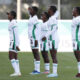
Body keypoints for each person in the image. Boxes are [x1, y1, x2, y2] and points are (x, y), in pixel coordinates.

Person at [44, 6, 59, 77]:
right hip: (51, 39)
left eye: (49, 9)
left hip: (53, 39)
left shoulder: (53, 18)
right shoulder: (51, 18)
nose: (48, 10)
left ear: (52, 11)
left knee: (53, 56)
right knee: (53, 55)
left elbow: (53, 29)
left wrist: (46, 36)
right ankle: (54, 72)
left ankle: (55, 73)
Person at [7, 11, 21, 76]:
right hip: (14, 41)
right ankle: (18, 72)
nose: (8, 16)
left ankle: (16, 72)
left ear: (12, 16)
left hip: (14, 41)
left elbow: (16, 34)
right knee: (15, 56)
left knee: (11, 56)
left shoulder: (13, 23)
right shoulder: (12, 22)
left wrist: (16, 44)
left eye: (9, 15)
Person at [28, 6, 40, 74]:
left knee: (36, 53)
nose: (30, 11)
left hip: (34, 38)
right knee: (34, 53)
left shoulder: (35, 19)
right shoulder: (31, 17)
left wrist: (36, 39)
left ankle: (37, 70)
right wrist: (29, 9)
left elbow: (37, 29)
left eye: (31, 10)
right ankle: (35, 69)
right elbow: (29, 11)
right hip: (31, 38)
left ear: (35, 12)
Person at [72, 7, 80, 77]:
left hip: (78, 40)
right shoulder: (75, 19)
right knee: (77, 56)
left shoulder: (79, 19)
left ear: (77, 11)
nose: (72, 11)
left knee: (78, 56)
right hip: (74, 40)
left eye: (73, 10)